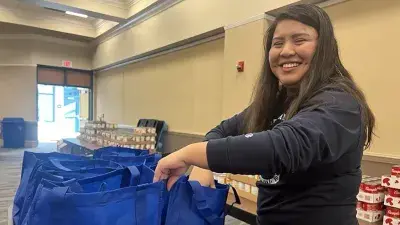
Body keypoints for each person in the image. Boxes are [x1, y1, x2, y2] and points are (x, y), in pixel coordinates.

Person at [154, 4, 375, 225]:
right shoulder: (275, 103)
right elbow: (222, 131)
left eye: (299, 40)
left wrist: (190, 154)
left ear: (324, 47)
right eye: (277, 43)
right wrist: (203, 164)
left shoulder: (340, 103)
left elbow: (282, 147)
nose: (286, 51)